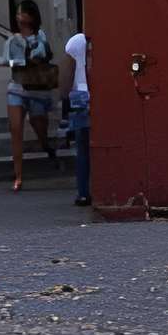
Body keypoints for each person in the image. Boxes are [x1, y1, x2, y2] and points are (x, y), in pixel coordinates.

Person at [0, 0, 61, 193]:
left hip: (36, 88)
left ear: (32, 16)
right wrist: (20, 61)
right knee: (16, 129)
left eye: (23, 14)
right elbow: (5, 61)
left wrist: (36, 55)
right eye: (18, 14)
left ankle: (46, 145)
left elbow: (47, 54)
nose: (20, 18)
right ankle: (18, 175)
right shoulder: (12, 40)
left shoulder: (40, 36)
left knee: (38, 123)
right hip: (17, 87)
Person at [65, 22, 93, 207]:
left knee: (83, 148)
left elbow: (68, 71)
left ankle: (84, 192)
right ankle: (87, 190)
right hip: (89, 94)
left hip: (82, 94)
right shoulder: (79, 42)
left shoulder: (76, 42)